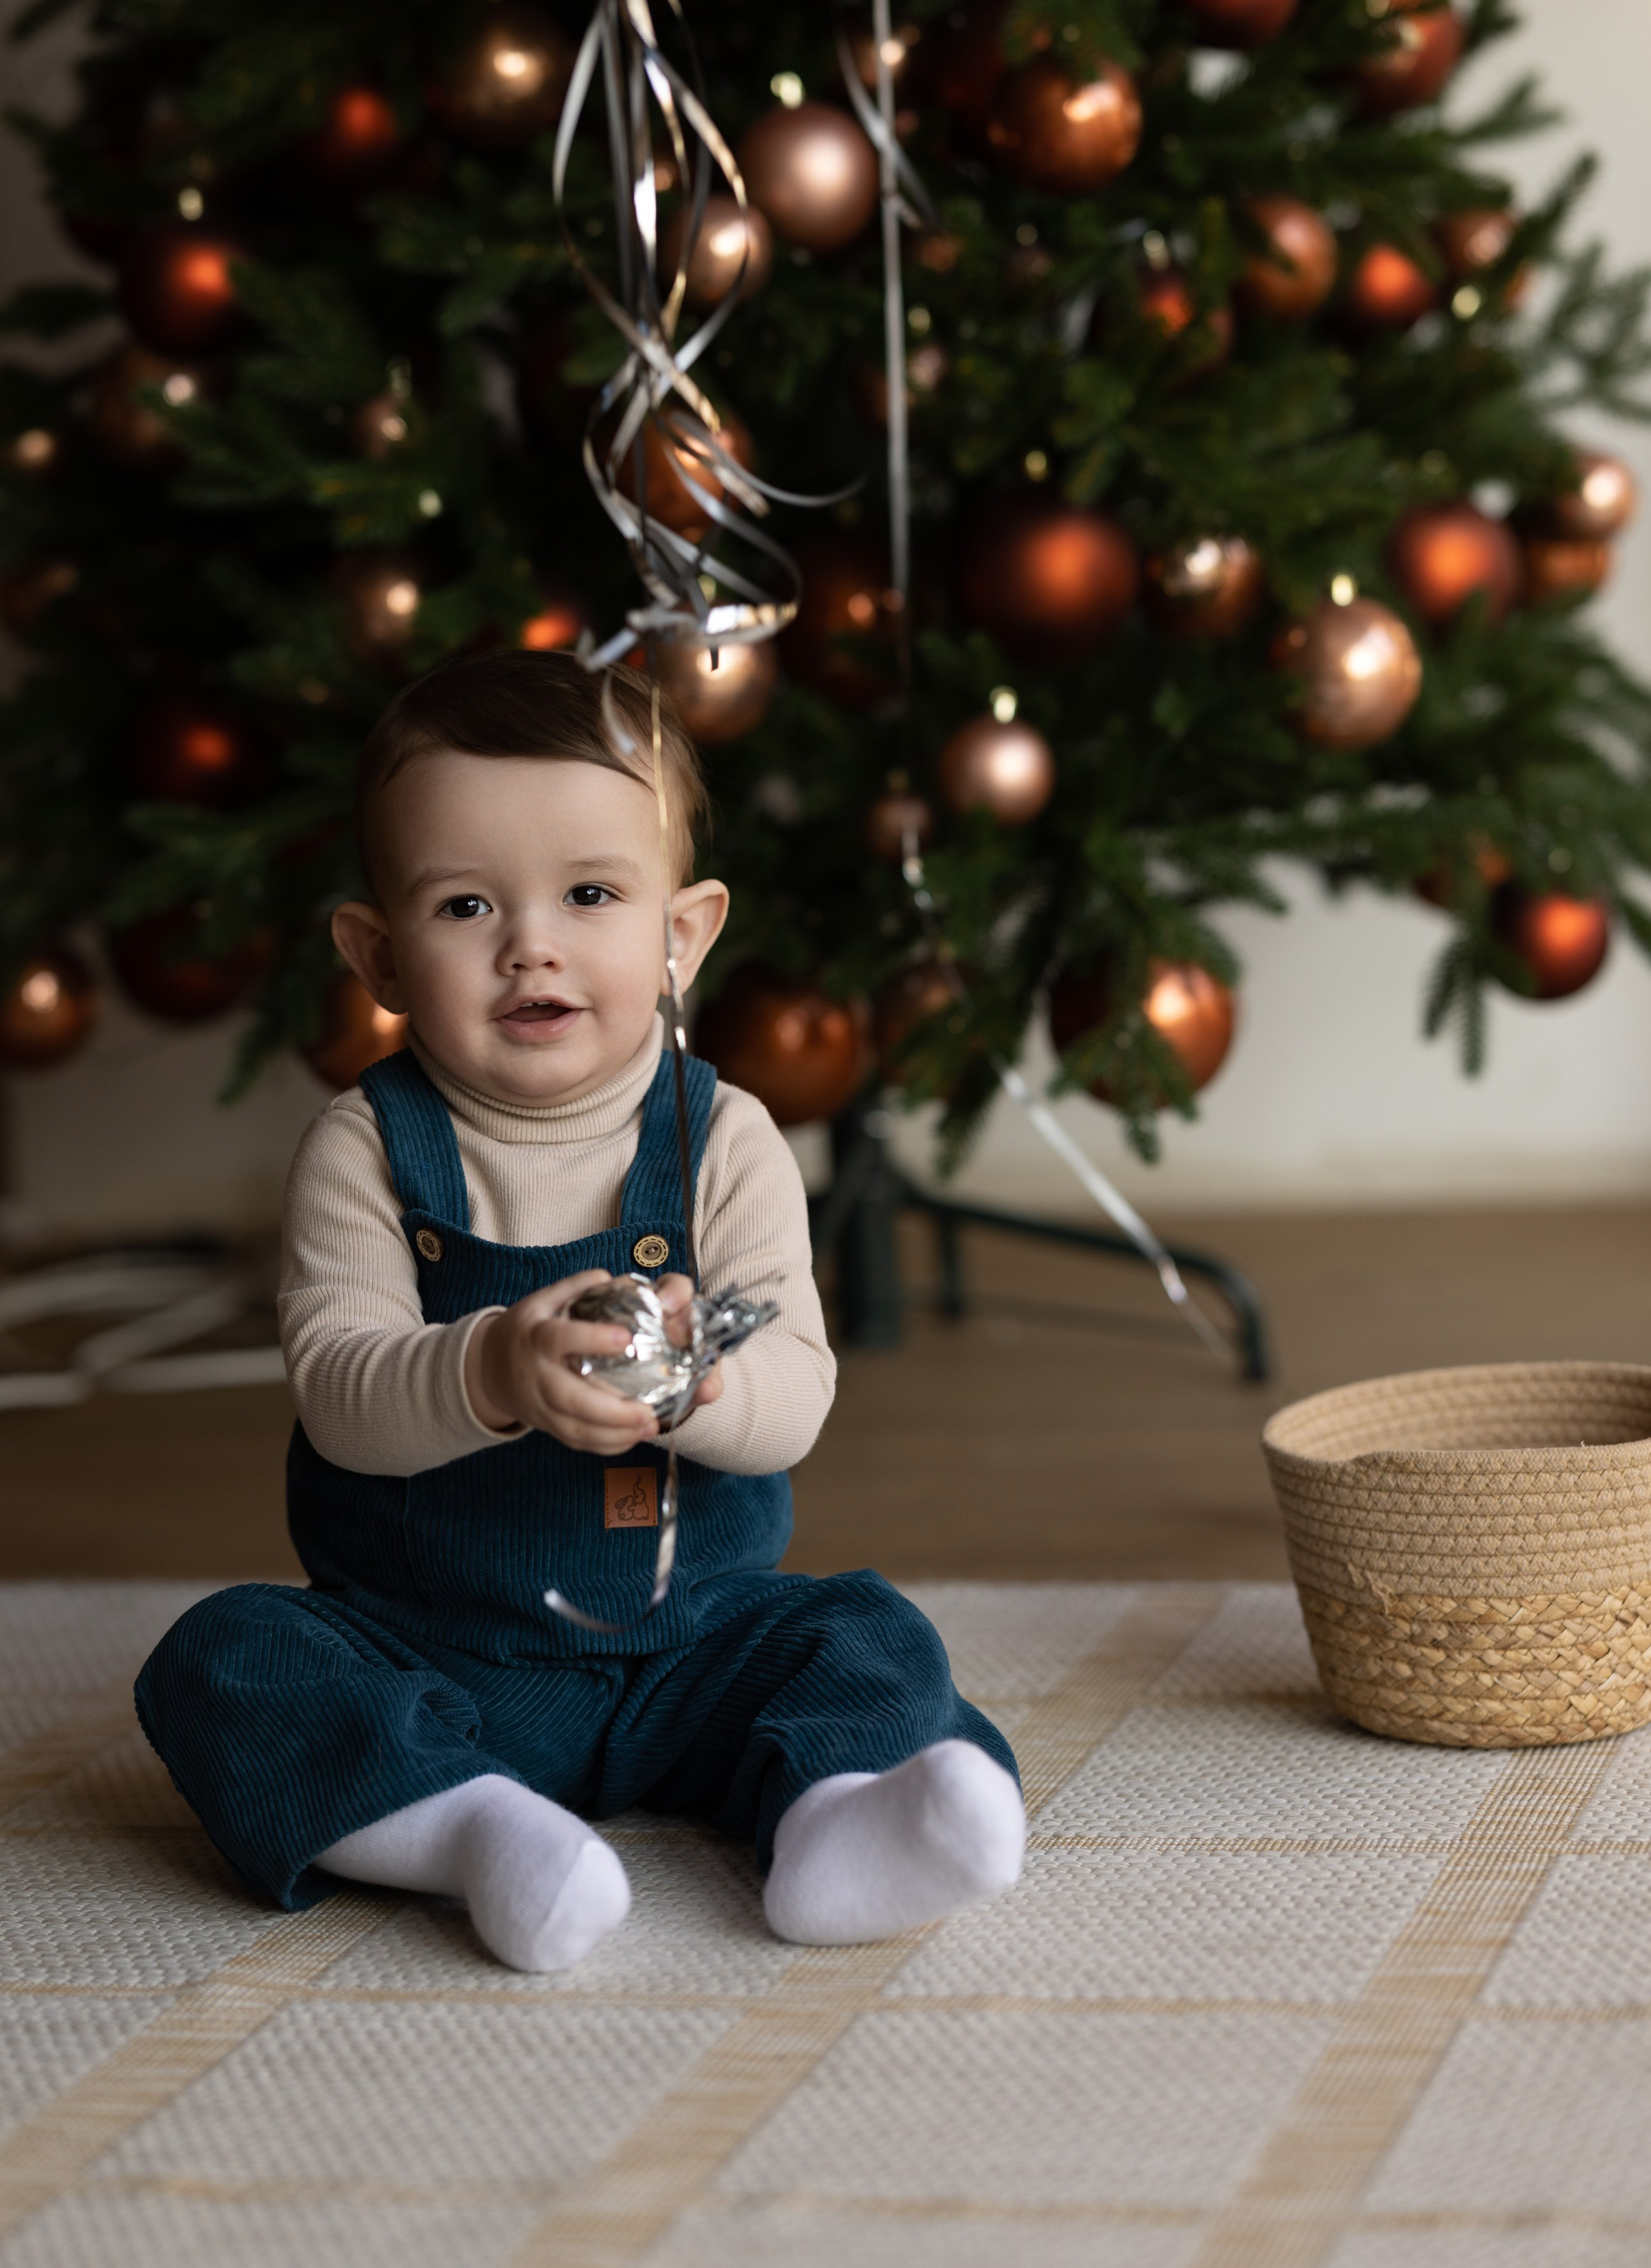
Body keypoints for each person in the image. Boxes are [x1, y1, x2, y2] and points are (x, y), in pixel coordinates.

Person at [136, 649, 1024, 1973]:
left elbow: (797, 1391)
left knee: (869, 1635)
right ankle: (470, 1831)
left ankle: (837, 1826)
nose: (530, 945)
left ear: (681, 933)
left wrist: (706, 1389)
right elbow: (339, 1391)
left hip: (696, 1647)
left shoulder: (724, 1138)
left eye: (591, 893)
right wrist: (489, 1365)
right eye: (466, 905)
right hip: (437, 1653)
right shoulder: (364, 1149)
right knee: (226, 1660)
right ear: (378, 953)